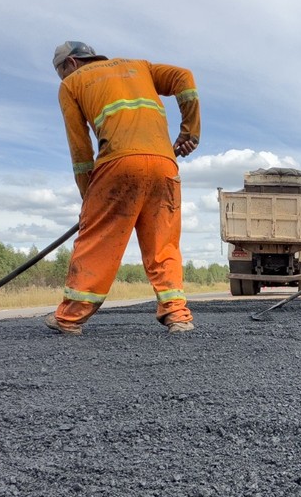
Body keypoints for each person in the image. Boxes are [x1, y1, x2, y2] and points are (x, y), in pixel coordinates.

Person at [45, 41, 201, 336]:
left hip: (117, 163)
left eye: (59, 71)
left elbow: (80, 149)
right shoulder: (139, 66)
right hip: (164, 164)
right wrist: (190, 131)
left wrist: (87, 195)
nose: (61, 78)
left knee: (98, 239)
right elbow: (185, 77)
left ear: (71, 64)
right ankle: (177, 315)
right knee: (163, 242)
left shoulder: (72, 84)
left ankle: (70, 318)